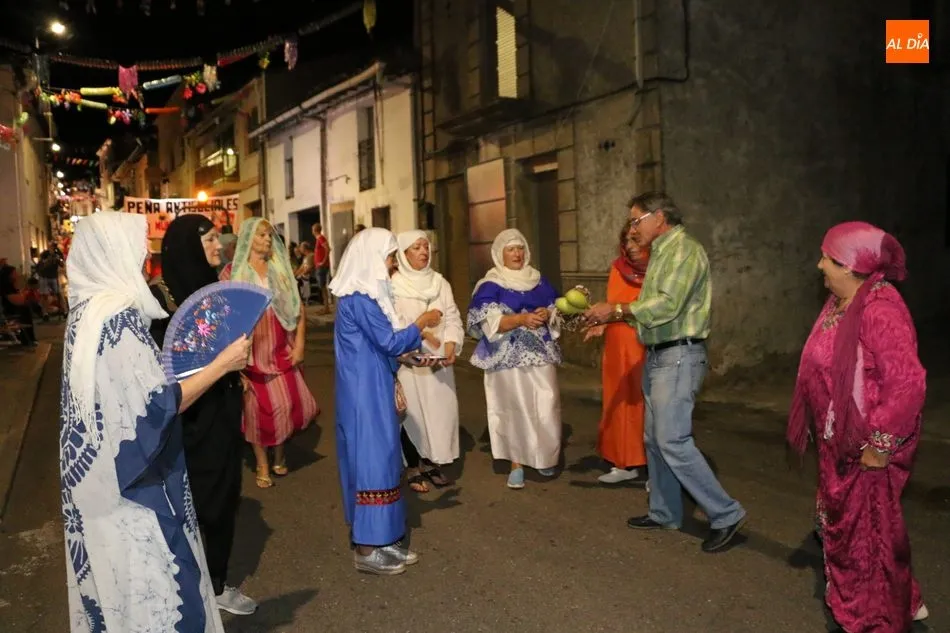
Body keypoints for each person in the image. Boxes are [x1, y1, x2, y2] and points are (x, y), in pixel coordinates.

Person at [59, 211, 251, 632]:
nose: (146, 256)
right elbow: (155, 407)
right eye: (138, 248)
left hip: (99, 478)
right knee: (162, 590)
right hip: (138, 481)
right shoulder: (120, 320)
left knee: (118, 590)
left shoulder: (85, 315)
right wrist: (222, 365)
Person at [787, 221, 928, 633]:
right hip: (841, 438)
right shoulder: (842, 300)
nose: (819, 266)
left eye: (828, 259)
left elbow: (908, 384)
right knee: (860, 527)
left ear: (851, 267)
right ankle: (905, 598)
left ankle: (872, 617)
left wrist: (880, 445)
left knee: (868, 534)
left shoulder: (879, 310)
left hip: (869, 444)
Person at [585, 192, 746, 553]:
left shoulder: (684, 250)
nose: (632, 227)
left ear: (659, 218)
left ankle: (726, 513)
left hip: (678, 356)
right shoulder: (662, 251)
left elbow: (668, 305)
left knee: (673, 440)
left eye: (636, 219)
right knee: (655, 441)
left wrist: (616, 310)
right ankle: (665, 512)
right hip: (658, 354)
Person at [148, 215, 258, 616]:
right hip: (184, 421)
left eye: (217, 238)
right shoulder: (158, 301)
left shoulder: (214, 291)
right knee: (186, 505)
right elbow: (160, 367)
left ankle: (217, 582)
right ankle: (183, 588)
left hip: (221, 414)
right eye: (210, 240)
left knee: (223, 498)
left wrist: (237, 371)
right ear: (188, 246)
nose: (218, 246)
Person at [329, 228, 443, 574]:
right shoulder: (359, 299)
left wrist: (408, 356)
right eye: (390, 257)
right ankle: (366, 549)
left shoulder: (366, 296)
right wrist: (421, 323)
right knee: (371, 464)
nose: (393, 264)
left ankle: (384, 539)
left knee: (385, 460)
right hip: (364, 395)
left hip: (373, 387)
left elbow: (385, 348)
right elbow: (389, 341)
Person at [221, 218, 319, 488]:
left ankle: (279, 452)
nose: (267, 239)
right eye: (261, 235)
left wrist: (299, 345)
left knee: (285, 405)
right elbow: (224, 319)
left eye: (269, 235)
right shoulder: (231, 274)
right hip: (251, 349)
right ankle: (263, 463)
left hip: (280, 344)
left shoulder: (280, 270)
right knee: (255, 410)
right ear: (249, 239)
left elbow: (298, 311)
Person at [466, 228, 562, 490]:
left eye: (520, 248)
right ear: (500, 254)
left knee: (546, 403)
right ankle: (516, 462)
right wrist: (520, 319)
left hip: (540, 351)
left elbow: (556, 308)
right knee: (513, 407)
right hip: (506, 355)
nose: (517, 253)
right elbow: (488, 321)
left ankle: (543, 455)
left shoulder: (538, 280)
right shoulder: (491, 284)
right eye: (511, 249)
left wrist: (548, 312)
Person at [392, 230, 464, 492]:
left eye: (426, 247)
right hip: (410, 363)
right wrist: (422, 331)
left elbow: (453, 316)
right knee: (413, 414)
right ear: (403, 253)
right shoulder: (395, 285)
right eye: (416, 248)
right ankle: (413, 465)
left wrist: (451, 345)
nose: (424, 252)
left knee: (441, 413)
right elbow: (394, 325)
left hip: (440, 364)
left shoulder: (440, 282)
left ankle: (433, 460)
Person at [583, 219, 650, 484]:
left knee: (645, 405)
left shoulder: (659, 270)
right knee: (618, 401)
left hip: (644, 345)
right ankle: (623, 462)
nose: (630, 247)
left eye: (635, 240)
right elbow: (613, 305)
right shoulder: (617, 268)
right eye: (626, 241)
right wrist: (602, 324)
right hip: (616, 346)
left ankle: (656, 470)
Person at [0, 265, 38, 346]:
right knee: (25, 310)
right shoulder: (6, 287)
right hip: (9, 310)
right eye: (14, 273)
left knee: (27, 308)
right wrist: (24, 293)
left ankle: (28, 338)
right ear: (9, 275)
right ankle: (28, 339)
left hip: (12, 308)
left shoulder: (11, 285)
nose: (17, 274)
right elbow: (18, 301)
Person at [311, 223, 332, 313]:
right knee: (322, 287)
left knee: (322, 287)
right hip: (320, 266)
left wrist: (323, 261)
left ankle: (326, 307)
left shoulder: (320, 238)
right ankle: (325, 306)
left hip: (322, 266)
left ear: (314, 230)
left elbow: (327, 248)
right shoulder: (319, 239)